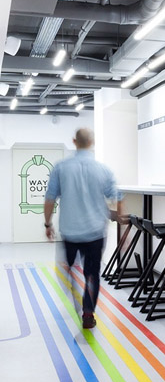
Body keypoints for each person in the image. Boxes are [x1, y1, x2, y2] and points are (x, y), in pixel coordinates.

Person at [43, 127, 125, 329]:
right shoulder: (103, 170)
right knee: (92, 274)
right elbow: (117, 196)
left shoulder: (61, 168)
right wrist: (119, 219)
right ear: (92, 142)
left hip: (70, 231)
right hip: (95, 232)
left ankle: (73, 287)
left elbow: (50, 198)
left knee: (67, 268)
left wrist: (48, 224)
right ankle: (88, 312)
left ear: (74, 141)